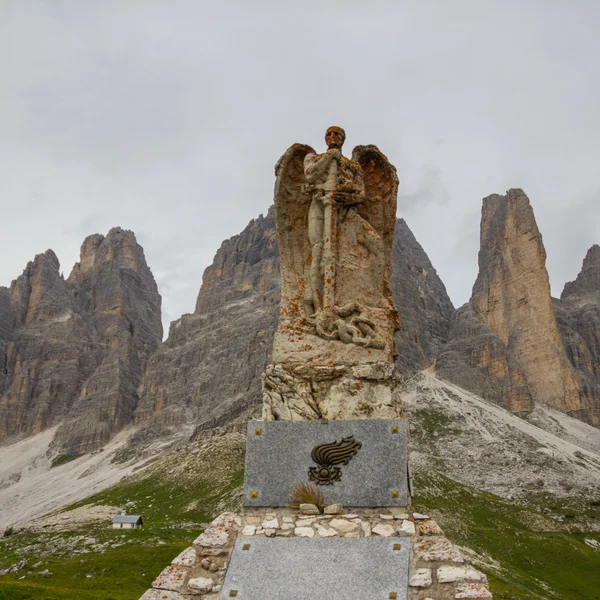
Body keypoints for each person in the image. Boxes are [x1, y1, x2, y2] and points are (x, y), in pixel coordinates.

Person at [303, 126, 365, 315]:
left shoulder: (353, 166)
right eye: (329, 134)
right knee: (318, 251)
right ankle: (316, 303)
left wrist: (348, 198)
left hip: (344, 212)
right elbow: (311, 174)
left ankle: (337, 300)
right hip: (318, 207)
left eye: (336, 134)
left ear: (343, 139)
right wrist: (331, 156)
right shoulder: (313, 158)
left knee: (341, 256)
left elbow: (362, 194)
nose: (332, 137)